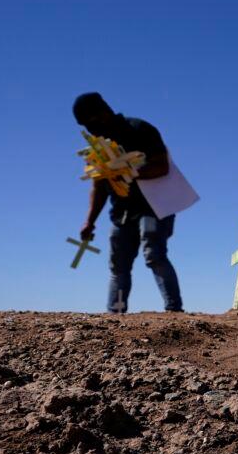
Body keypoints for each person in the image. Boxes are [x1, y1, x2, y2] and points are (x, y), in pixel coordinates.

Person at [73, 92, 184, 313]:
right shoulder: (97, 148)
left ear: (103, 112)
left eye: (91, 123)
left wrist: (127, 171)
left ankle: (174, 312)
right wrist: (89, 221)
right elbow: (98, 186)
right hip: (121, 213)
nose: (90, 130)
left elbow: (162, 166)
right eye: (85, 126)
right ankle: (116, 314)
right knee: (119, 266)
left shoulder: (139, 129)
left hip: (154, 207)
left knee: (154, 254)